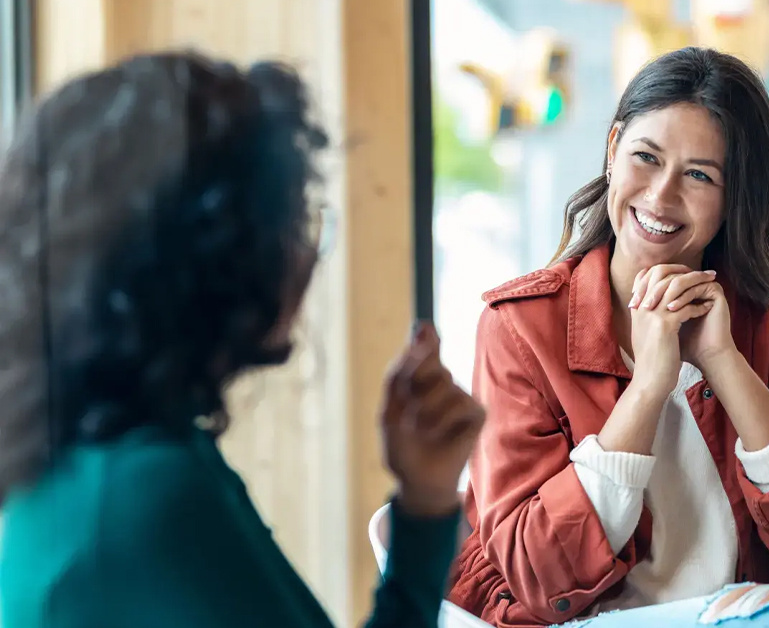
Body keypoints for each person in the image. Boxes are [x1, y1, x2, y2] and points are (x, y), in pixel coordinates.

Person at [0, 51, 482, 627]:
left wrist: (425, 501)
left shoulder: (102, 460)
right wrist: (425, 514)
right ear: (218, 255)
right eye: (296, 219)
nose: (307, 255)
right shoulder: (149, 496)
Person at [448, 47, 769, 627]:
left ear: (735, 197)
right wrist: (648, 387)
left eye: (700, 175)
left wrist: (722, 360)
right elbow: (539, 573)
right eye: (646, 158)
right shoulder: (522, 326)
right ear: (612, 150)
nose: (660, 196)